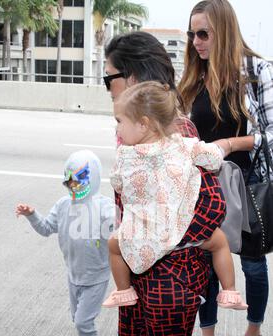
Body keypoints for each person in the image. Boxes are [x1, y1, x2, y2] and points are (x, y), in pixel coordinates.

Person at [92, 31, 225, 336]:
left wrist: (159, 242)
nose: (107, 83)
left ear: (130, 77)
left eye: (108, 75)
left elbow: (211, 207)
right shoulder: (133, 129)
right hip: (137, 264)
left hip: (171, 275)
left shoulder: (174, 130)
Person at [178, 0, 272, 336]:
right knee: (204, 265)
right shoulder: (195, 75)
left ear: (224, 31)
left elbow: (270, 134)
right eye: (192, 34)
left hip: (248, 183)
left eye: (203, 33)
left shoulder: (258, 71)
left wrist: (232, 144)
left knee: (252, 266)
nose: (196, 42)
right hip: (204, 185)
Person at [102, 81, 247, 313]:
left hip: (142, 235)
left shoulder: (124, 156)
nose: (117, 128)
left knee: (113, 245)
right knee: (219, 242)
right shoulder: (184, 145)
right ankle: (229, 291)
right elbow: (213, 159)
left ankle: (123, 291)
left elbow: (118, 184)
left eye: (119, 121)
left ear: (143, 124)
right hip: (181, 229)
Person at [16, 150, 114, 336]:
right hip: (74, 275)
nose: (75, 186)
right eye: (70, 180)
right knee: (77, 319)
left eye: (80, 180)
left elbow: (117, 230)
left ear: (93, 179)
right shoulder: (62, 205)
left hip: (96, 276)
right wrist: (32, 215)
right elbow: (47, 228)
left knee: (83, 320)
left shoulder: (103, 206)